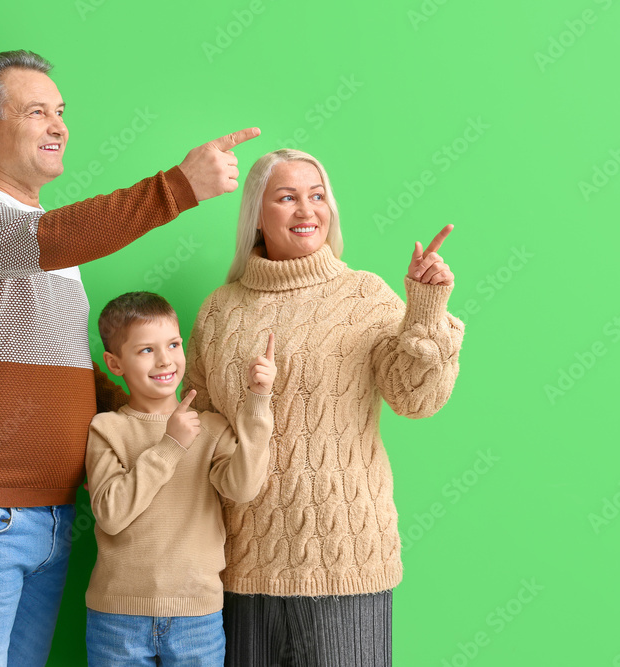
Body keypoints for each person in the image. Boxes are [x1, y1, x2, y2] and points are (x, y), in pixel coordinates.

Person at [0, 49, 259, 666]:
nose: (59, 126)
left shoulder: (49, 250)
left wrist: (160, 403)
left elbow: (63, 374)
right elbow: (53, 236)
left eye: (61, 112)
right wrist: (178, 188)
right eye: (36, 111)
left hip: (48, 516)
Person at [183, 148, 465, 665]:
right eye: (287, 197)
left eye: (317, 196)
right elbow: (195, 429)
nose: (306, 210)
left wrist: (426, 309)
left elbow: (416, 399)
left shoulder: (363, 296)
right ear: (257, 217)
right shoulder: (219, 311)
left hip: (346, 560)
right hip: (241, 566)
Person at [84, 292, 276, 666]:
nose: (165, 359)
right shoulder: (106, 428)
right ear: (114, 363)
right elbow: (110, 513)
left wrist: (258, 401)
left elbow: (243, 487)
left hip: (197, 616)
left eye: (173, 344)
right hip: (117, 617)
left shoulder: (212, 427)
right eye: (146, 350)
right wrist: (170, 446)